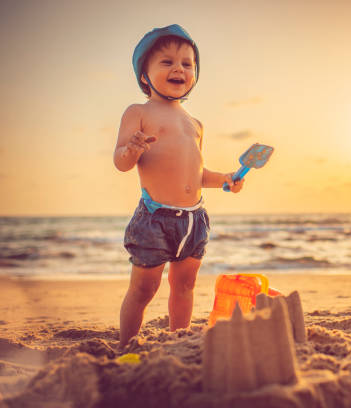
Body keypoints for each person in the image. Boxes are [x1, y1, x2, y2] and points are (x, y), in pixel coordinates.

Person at [113, 24, 244, 347]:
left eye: (187, 63)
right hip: (155, 217)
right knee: (144, 288)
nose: (179, 69)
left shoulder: (195, 124)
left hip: (194, 219)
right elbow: (121, 162)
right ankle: (126, 344)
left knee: (184, 285)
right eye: (167, 62)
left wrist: (225, 179)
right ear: (144, 76)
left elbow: (198, 174)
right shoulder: (139, 112)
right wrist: (132, 149)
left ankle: (177, 341)